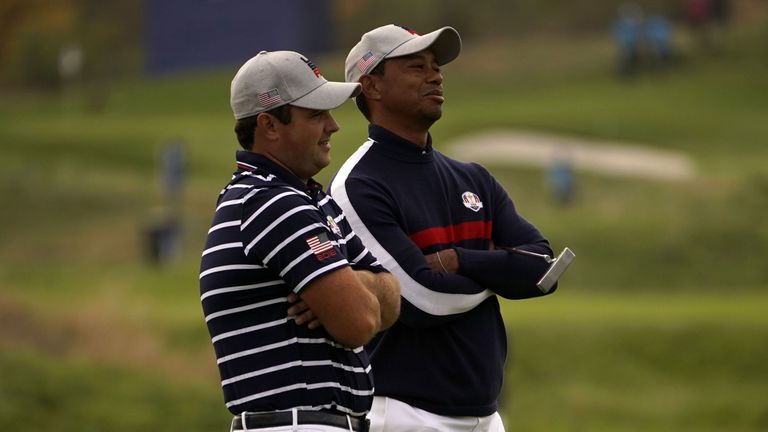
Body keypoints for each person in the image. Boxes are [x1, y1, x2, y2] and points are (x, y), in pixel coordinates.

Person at [329, 25, 559, 431]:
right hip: (404, 413)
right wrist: (503, 269)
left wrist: (459, 259)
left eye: (436, 67)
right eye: (417, 66)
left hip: (488, 417)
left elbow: (543, 269)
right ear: (372, 86)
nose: (435, 76)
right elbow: (420, 300)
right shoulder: (358, 184)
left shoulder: (474, 177)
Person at [200, 50, 400, 432]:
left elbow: (392, 301)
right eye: (316, 115)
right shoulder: (271, 202)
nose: (334, 126)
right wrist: (353, 294)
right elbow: (360, 322)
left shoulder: (312, 200)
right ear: (269, 125)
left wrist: (352, 283)